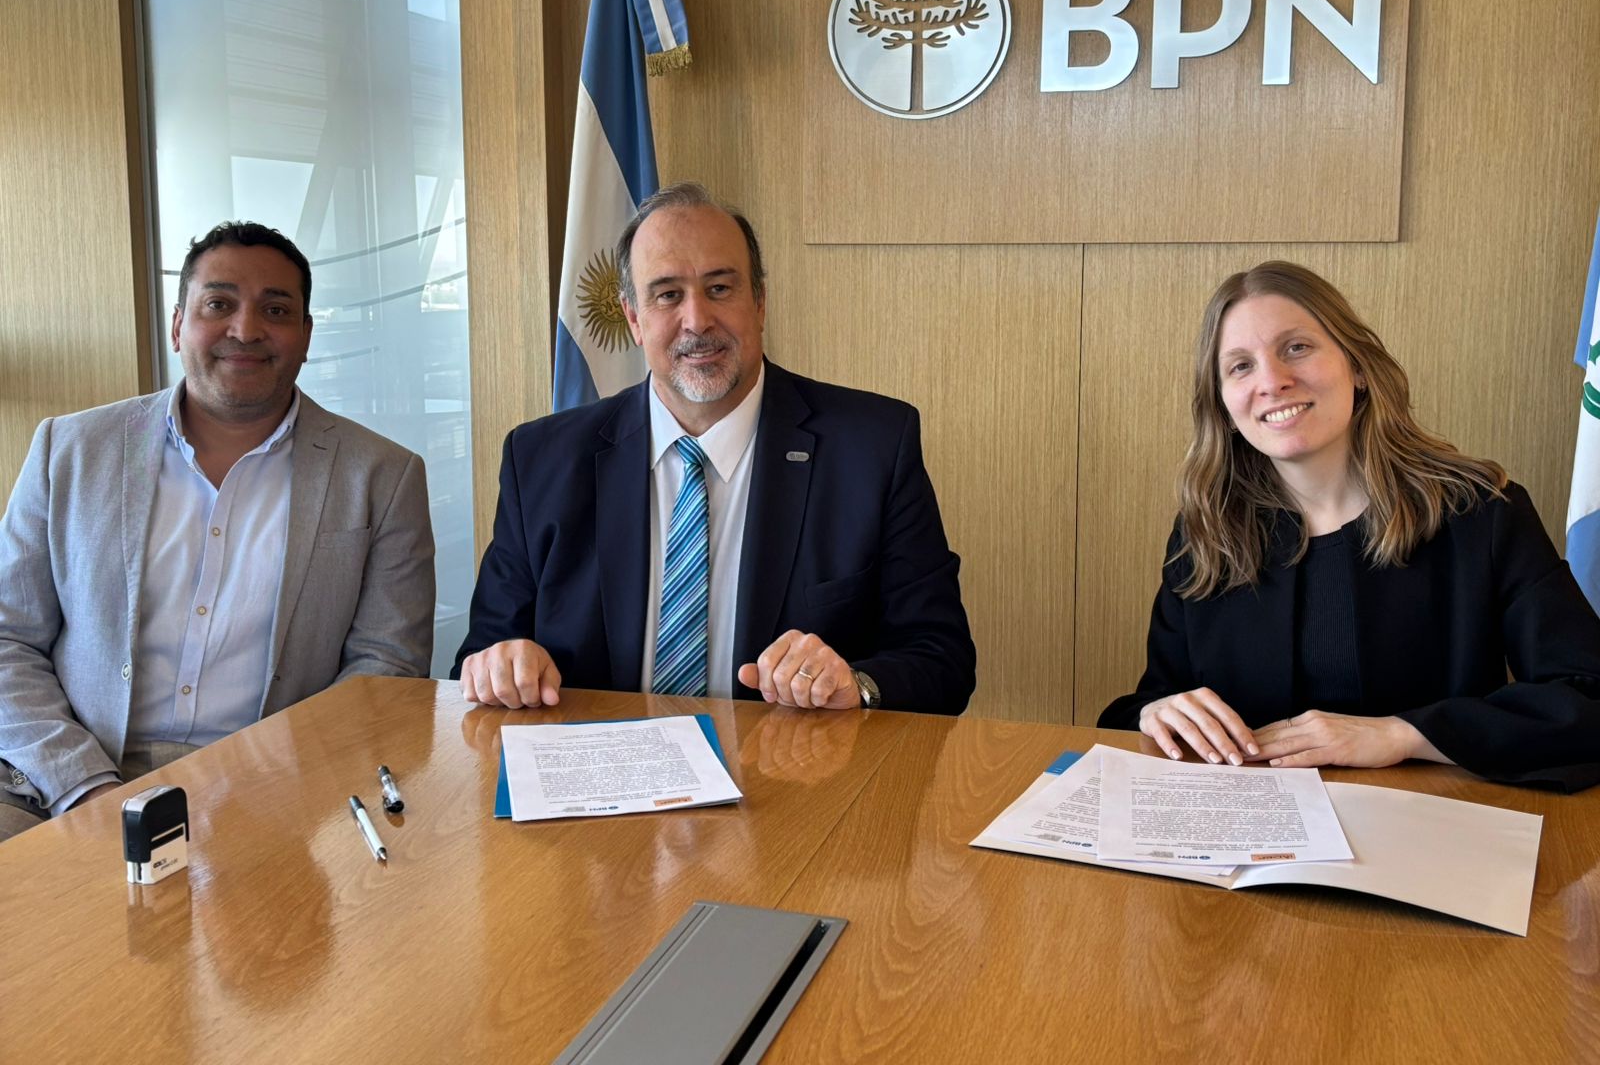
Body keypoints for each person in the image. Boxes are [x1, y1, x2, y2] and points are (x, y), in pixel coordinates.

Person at [456, 183, 975, 714]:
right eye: (667, 295)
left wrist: (856, 684)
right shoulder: (539, 460)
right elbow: (478, 660)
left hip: (793, 763)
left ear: (760, 302)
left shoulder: (873, 447)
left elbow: (942, 660)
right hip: (600, 762)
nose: (697, 320)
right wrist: (498, 667)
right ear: (633, 318)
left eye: (720, 288)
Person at [0, 221, 435, 842]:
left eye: (276, 309)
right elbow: (8, 639)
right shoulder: (68, 450)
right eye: (219, 304)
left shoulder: (384, 476)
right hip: (61, 780)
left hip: (274, 791)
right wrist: (84, 785)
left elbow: (385, 666)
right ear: (179, 325)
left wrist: (263, 789)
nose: (246, 329)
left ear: (306, 335)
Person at [1099, 261, 1600, 791]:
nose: (1272, 381)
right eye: (1241, 366)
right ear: (1223, 406)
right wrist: (1155, 712)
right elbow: (1156, 700)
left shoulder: (1482, 514)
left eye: (1296, 347)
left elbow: (1587, 699)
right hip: (1242, 831)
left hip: (1426, 823)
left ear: (1357, 367)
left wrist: (1403, 734)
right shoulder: (1207, 532)